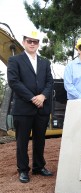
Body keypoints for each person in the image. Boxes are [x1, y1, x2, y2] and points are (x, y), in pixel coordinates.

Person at [7, 30, 53, 183]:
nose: (32, 44)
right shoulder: (15, 61)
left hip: (42, 108)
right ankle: (23, 170)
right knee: (22, 141)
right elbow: (14, 82)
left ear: (38, 43)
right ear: (24, 42)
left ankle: (39, 167)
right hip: (23, 108)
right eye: (29, 41)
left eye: (35, 41)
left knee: (40, 140)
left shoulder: (45, 62)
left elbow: (49, 82)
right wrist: (33, 98)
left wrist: (43, 96)